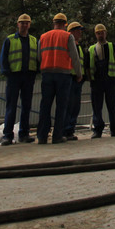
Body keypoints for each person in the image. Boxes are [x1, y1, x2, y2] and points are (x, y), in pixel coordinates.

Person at [35, 13, 82, 144]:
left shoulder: (43, 37)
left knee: (45, 105)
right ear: (65, 24)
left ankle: (42, 136)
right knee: (61, 106)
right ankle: (57, 136)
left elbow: (39, 57)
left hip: (47, 74)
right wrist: (79, 73)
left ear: (54, 22)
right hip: (63, 75)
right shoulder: (68, 36)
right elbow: (74, 57)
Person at [0, 13, 39, 145]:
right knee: (11, 106)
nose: (24, 25)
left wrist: (36, 71)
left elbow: (38, 58)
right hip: (14, 76)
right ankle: (7, 135)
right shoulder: (10, 39)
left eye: (27, 23)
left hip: (28, 76)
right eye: (22, 23)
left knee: (26, 106)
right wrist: (7, 72)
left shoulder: (34, 40)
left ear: (29, 25)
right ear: (18, 24)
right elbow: (4, 58)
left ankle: (24, 134)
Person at [89, 24, 115, 138]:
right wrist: (91, 79)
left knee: (112, 105)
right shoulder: (92, 49)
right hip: (97, 81)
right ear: (95, 34)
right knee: (97, 106)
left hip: (110, 80)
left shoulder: (112, 46)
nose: (100, 35)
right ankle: (97, 130)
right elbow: (89, 66)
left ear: (105, 33)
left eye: (102, 33)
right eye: (98, 33)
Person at [61, 21, 89, 141]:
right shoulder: (69, 45)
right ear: (71, 32)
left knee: (75, 107)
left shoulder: (79, 47)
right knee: (69, 106)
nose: (80, 33)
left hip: (78, 80)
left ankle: (70, 130)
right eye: (78, 30)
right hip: (70, 78)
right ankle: (66, 130)